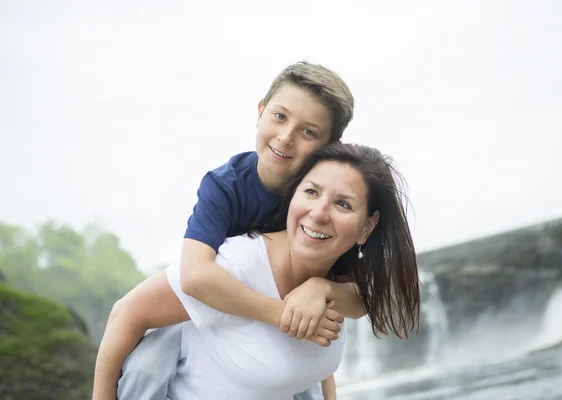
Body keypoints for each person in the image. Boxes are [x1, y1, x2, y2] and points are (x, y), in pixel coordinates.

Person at [93, 61, 363, 400]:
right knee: (146, 368)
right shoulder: (225, 185)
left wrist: (321, 287)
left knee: (309, 382)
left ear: (329, 146)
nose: (286, 137)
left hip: (280, 326)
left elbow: (358, 294)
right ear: (261, 110)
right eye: (280, 116)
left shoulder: (316, 206)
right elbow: (194, 276)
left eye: (308, 131)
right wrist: (281, 314)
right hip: (195, 308)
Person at [96, 142, 420, 399]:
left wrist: (323, 289)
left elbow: (318, 365)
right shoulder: (238, 265)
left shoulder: (342, 277)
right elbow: (126, 312)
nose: (319, 213)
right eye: (311, 192)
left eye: (343, 204)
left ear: (367, 227)